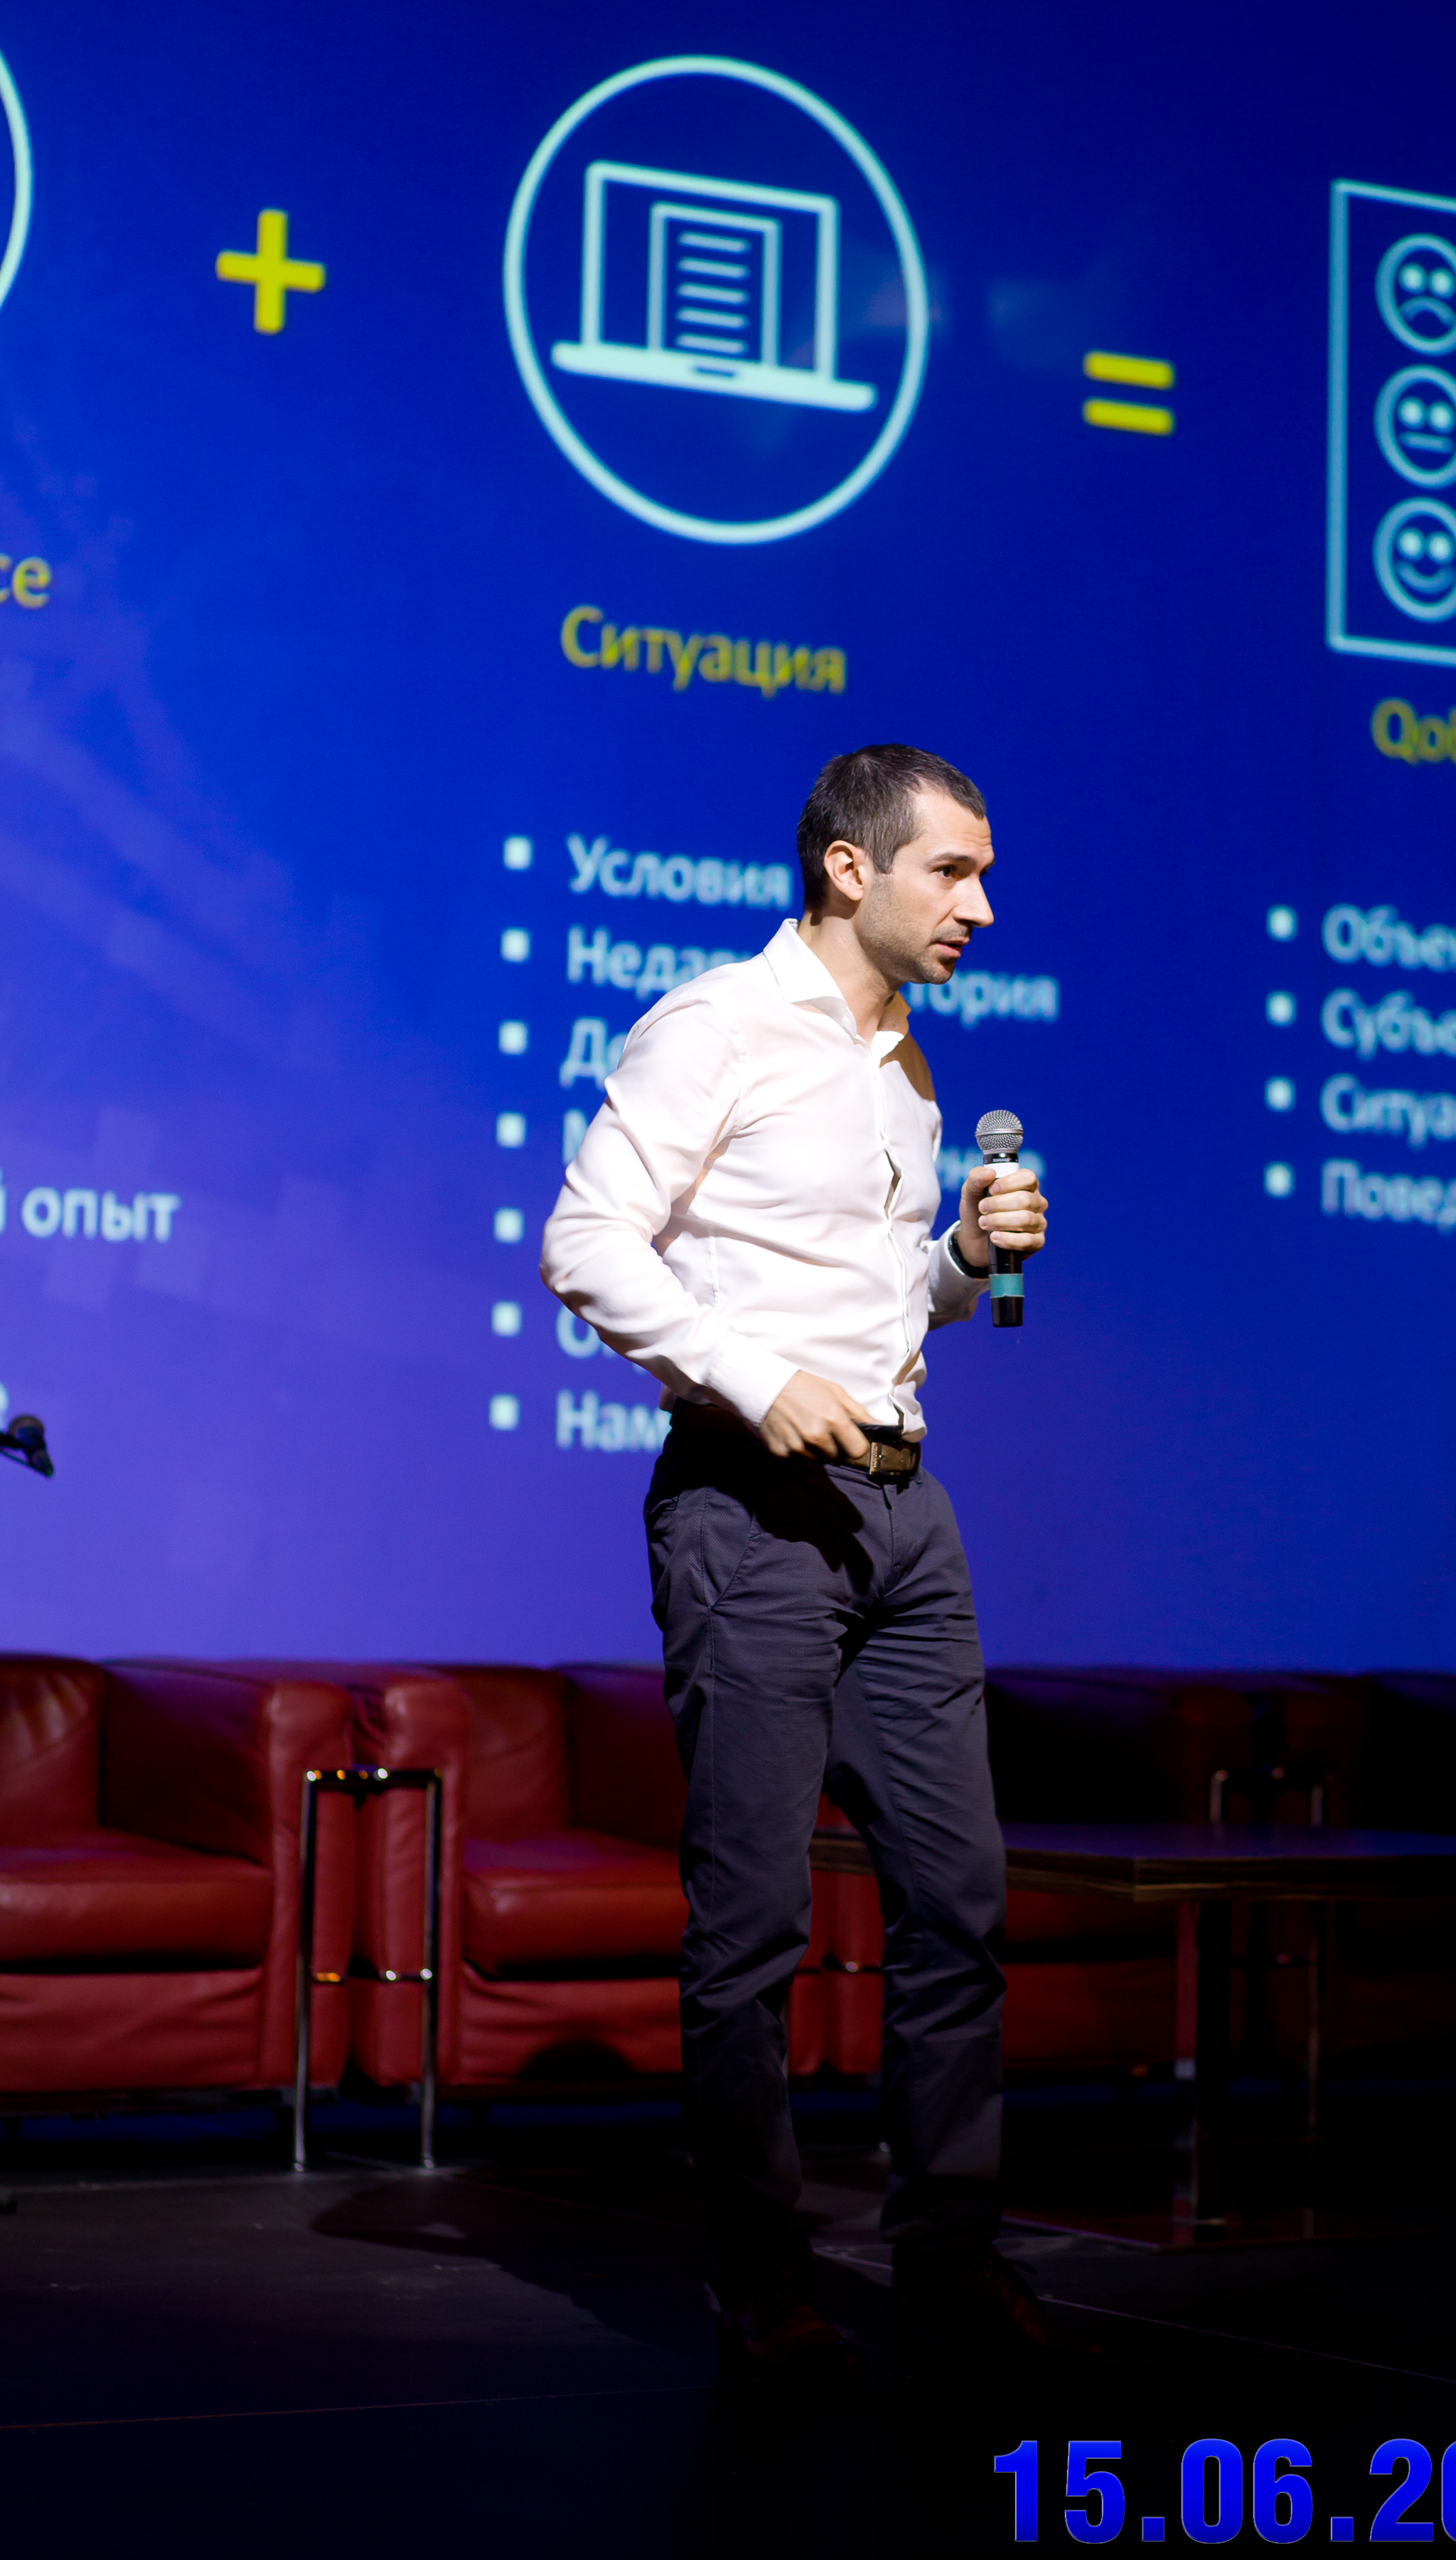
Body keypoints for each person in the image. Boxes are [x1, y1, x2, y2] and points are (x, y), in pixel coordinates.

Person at [541, 744, 1085, 2384]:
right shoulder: (718, 1026)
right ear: (853, 869)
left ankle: (951, 2261)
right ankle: (761, 2280)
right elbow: (584, 1240)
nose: (982, 907)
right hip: (751, 1507)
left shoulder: (909, 1070)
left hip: (906, 1516)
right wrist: (750, 1375)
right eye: (954, 872)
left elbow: (877, 1303)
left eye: (985, 877)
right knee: (755, 1924)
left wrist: (959, 1260)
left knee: (958, 1903)